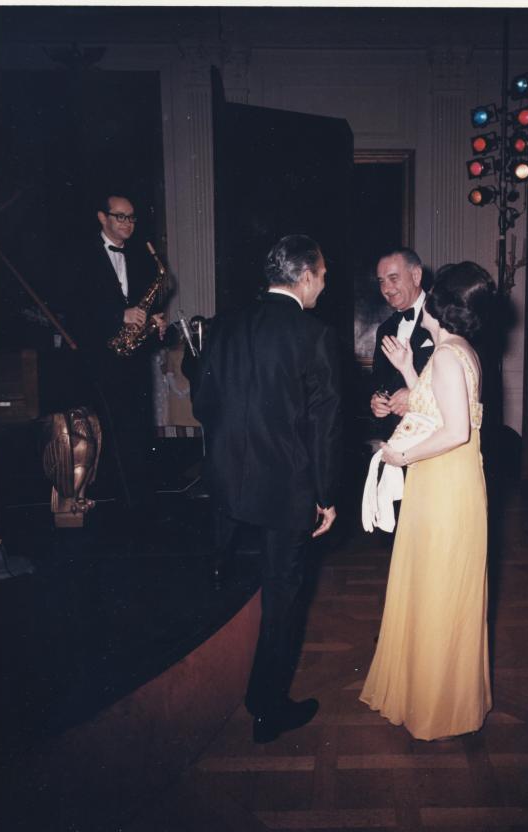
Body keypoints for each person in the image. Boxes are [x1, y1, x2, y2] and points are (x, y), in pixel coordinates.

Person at [192, 234, 342, 744]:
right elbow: (324, 428)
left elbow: (203, 400)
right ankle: (266, 708)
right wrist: (324, 496)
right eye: (322, 274)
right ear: (303, 277)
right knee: (281, 599)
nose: (325, 282)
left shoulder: (226, 325)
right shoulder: (314, 333)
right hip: (287, 488)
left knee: (219, 571)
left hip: (227, 479)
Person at [359, 261, 494, 741]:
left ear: (438, 301)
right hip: (445, 484)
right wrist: (404, 369)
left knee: (438, 590)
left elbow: (455, 431)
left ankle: (438, 708)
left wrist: (401, 457)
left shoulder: (449, 356)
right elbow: (436, 406)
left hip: (443, 489)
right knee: (436, 588)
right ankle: (438, 697)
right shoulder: (456, 351)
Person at [65, 193, 168, 510]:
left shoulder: (141, 259)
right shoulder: (81, 256)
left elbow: (144, 309)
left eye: (132, 217)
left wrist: (155, 324)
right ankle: (110, 504)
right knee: (105, 435)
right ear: (102, 218)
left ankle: (138, 503)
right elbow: (72, 311)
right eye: (120, 216)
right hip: (97, 361)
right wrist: (117, 315)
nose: (128, 223)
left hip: (133, 360)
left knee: (136, 432)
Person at [369, 248, 434, 440]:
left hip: (432, 437)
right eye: (381, 281)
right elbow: (380, 380)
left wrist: (415, 396)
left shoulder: (443, 317)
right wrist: (376, 400)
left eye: (393, 278)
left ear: (416, 275)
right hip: (394, 437)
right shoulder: (385, 329)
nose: (386, 289)